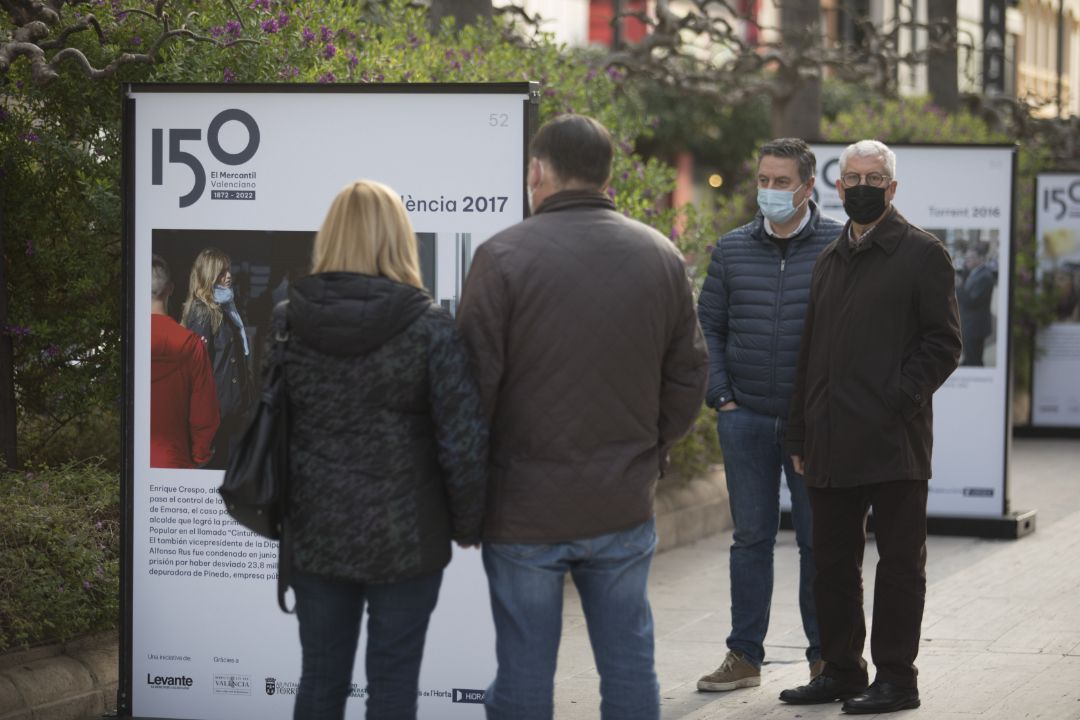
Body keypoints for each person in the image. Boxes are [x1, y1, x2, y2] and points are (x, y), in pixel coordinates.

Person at [456, 114, 708, 720]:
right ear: (607, 175)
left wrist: (470, 489)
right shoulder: (661, 256)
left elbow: (469, 393)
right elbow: (690, 377)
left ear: (537, 172)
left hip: (522, 507)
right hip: (621, 500)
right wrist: (650, 447)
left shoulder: (501, 257)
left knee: (522, 671)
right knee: (628, 666)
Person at [280, 180, 488, 720]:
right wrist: (469, 524)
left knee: (320, 679)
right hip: (407, 537)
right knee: (394, 687)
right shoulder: (430, 327)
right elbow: (461, 440)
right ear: (400, 239)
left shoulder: (288, 321)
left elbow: (274, 422)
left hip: (315, 529)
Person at [779, 140, 961, 714]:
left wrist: (897, 398)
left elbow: (944, 343)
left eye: (874, 177)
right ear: (838, 186)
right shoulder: (830, 257)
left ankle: (896, 679)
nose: (862, 185)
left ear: (892, 187)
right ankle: (841, 670)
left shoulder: (922, 253)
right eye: (852, 176)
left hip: (893, 442)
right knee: (831, 563)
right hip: (829, 443)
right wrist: (799, 434)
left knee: (900, 566)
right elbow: (809, 354)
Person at [695, 138, 841, 693]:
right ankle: (744, 657)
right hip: (746, 417)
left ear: (808, 187)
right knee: (750, 539)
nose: (771, 191)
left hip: (814, 426)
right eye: (764, 180)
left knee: (816, 543)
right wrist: (722, 396)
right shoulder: (732, 249)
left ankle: (825, 658)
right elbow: (708, 325)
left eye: (782, 182)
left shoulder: (836, 245)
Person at [181, 248, 255, 468]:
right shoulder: (202, 313)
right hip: (216, 413)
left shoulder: (227, 307)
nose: (229, 276)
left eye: (229, 270)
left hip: (232, 407)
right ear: (209, 276)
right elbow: (195, 370)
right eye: (222, 272)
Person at [150, 254, 219, 468]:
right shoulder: (191, 344)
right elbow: (204, 413)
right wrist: (199, 456)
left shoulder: (130, 340)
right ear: (170, 288)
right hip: (176, 460)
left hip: (133, 464)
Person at [956, 243, 995, 366]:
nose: (967, 260)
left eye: (971, 257)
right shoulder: (975, 272)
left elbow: (970, 301)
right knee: (971, 358)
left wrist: (958, 285)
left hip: (974, 327)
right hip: (971, 325)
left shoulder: (985, 277)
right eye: (966, 257)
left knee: (974, 361)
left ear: (981, 258)